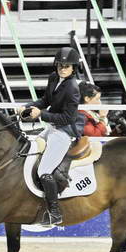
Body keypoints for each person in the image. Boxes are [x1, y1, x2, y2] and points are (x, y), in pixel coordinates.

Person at [19, 47, 85, 225]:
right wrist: (28, 106)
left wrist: (40, 114)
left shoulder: (73, 88)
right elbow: (45, 100)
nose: (63, 68)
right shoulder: (53, 77)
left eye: (67, 66)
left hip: (64, 131)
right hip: (51, 127)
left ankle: (55, 213)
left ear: (73, 68)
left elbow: (67, 118)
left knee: (44, 170)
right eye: (60, 65)